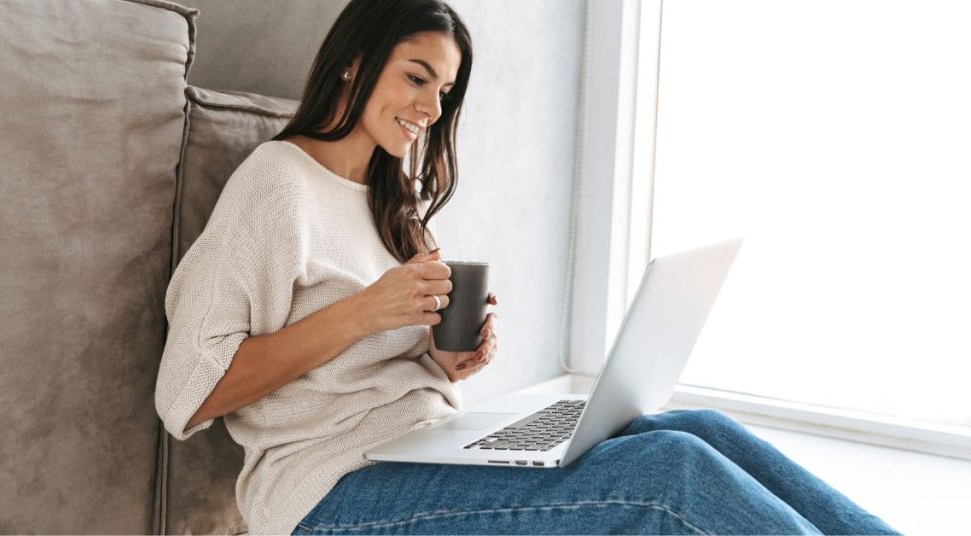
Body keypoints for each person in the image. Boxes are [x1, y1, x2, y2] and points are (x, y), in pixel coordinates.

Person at [154, 0, 899, 534]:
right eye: (416, 78)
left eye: (442, 93)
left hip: (422, 446)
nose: (430, 108)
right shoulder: (278, 183)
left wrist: (447, 357)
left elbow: (382, 366)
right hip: (329, 497)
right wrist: (365, 311)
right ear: (354, 63)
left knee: (698, 427)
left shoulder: (393, 197)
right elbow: (188, 394)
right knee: (671, 473)